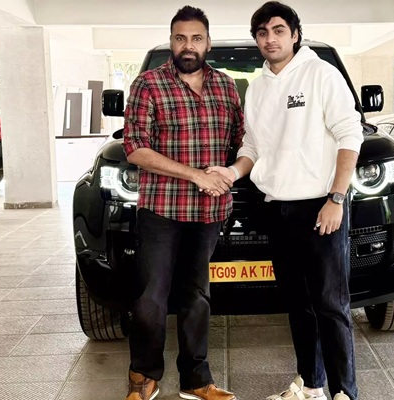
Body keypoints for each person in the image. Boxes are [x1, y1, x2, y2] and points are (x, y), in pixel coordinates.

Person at [206, 2, 362, 399]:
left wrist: (337, 197)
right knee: (298, 303)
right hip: (276, 208)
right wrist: (232, 173)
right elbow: (252, 147)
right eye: (262, 32)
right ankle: (310, 386)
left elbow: (350, 135)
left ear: (294, 34)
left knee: (331, 304)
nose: (270, 39)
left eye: (278, 30)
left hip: (320, 207)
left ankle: (345, 392)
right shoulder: (258, 88)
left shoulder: (321, 74)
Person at [122, 5, 243, 400]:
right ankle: (144, 375)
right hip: (162, 208)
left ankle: (196, 380)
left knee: (197, 297)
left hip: (210, 212)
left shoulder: (226, 87)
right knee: (150, 298)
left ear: (208, 43)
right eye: (180, 38)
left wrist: (229, 172)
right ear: (171, 42)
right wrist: (196, 175)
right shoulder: (148, 84)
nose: (188, 46)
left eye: (196, 38)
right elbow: (135, 148)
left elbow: (243, 141)